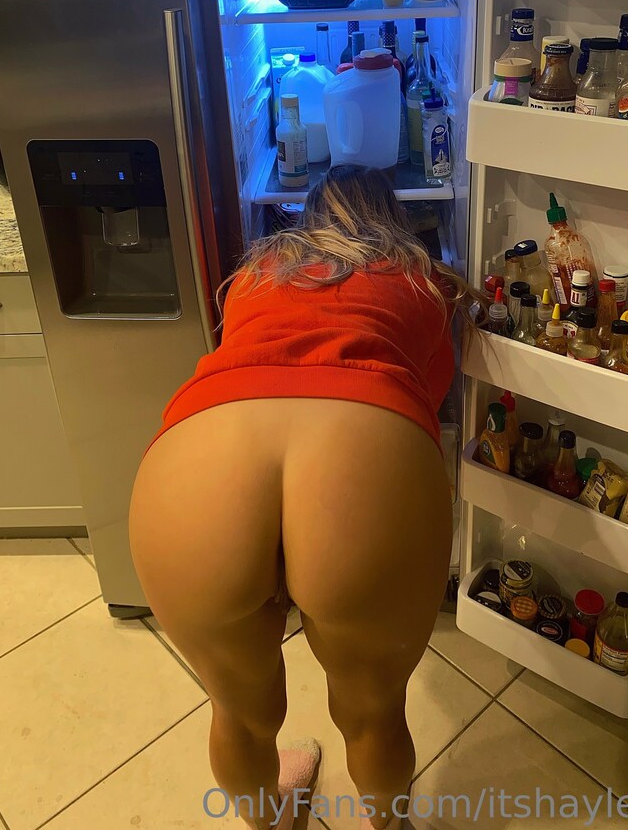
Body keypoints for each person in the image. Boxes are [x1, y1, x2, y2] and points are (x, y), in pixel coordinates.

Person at [129, 165, 484, 830]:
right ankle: (386, 824)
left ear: (308, 218)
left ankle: (266, 820)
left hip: (204, 446)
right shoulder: (424, 278)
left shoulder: (259, 273)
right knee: (374, 714)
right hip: (363, 444)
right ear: (392, 218)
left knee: (238, 713)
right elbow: (432, 395)